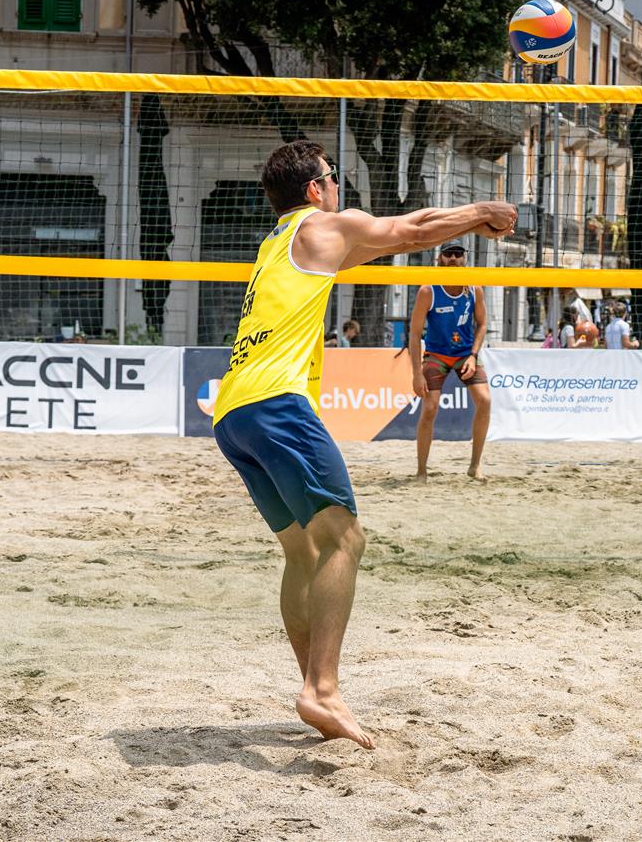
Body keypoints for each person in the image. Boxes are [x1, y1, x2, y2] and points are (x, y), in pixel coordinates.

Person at [212, 141, 516, 748]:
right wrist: (483, 209)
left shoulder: (277, 243)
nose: (338, 186)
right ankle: (321, 689)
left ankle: (317, 690)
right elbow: (412, 229)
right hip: (277, 403)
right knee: (346, 540)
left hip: (233, 412)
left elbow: (401, 234)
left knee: (303, 553)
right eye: (333, 177)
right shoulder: (322, 225)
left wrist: (462, 223)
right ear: (314, 189)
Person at [409, 241, 492, 482]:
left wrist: (473, 356)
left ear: (465, 259)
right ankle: (421, 471)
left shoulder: (474, 289)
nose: (453, 258)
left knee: (485, 401)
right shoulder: (428, 291)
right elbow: (414, 334)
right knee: (430, 408)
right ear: (440, 259)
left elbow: (482, 324)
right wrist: (416, 374)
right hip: (437, 354)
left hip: (465, 353)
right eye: (448, 254)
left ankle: (475, 466)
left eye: (458, 254)